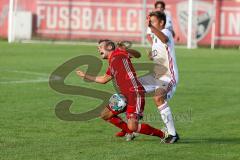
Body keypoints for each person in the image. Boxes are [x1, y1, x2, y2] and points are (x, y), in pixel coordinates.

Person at [76, 40, 169, 142]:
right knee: (105, 115)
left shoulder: (120, 53)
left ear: (110, 47)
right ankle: (128, 131)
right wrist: (85, 75)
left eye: (101, 47)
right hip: (123, 95)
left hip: (134, 94)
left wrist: (125, 49)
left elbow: (137, 55)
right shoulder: (111, 63)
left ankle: (163, 134)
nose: (98, 49)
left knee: (133, 126)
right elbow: (104, 79)